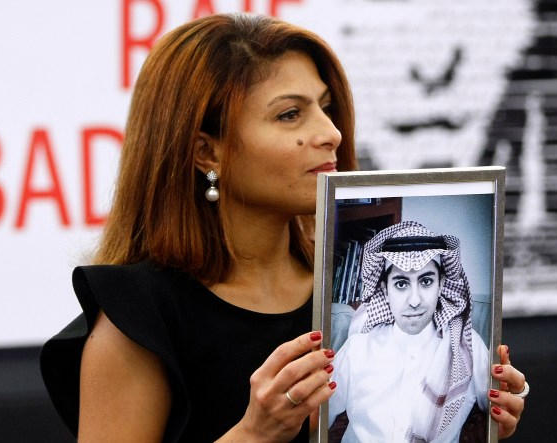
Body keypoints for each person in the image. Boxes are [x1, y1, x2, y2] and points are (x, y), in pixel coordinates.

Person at [39, 12, 526, 442]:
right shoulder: (139, 314)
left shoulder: (342, 298)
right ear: (206, 151)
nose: (331, 133)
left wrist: (470, 423)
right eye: (290, 114)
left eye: (325, 107)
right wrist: (255, 434)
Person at [329, 220, 526, 442]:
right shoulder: (358, 348)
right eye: (401, 284)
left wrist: (515, 396)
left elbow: (502, 405)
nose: (415, 300)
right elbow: (318, 417)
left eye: (426, 281)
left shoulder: (468, 349)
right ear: (385, 289)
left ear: (441, 284)